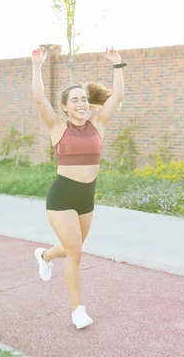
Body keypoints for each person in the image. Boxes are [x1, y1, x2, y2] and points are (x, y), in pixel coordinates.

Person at [30, 45, 126, 329]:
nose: (81, 103)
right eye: (75, 100)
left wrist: (118, 65)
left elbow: (117, 95)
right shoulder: (58, 127)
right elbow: (38, 99)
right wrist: (36, 66)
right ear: (65, 106)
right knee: (76, 253)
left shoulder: (99, 124)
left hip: (87, 197)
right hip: (62, 196)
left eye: (84, 99)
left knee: (74, 247)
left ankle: (44, 255)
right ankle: (77, 310)